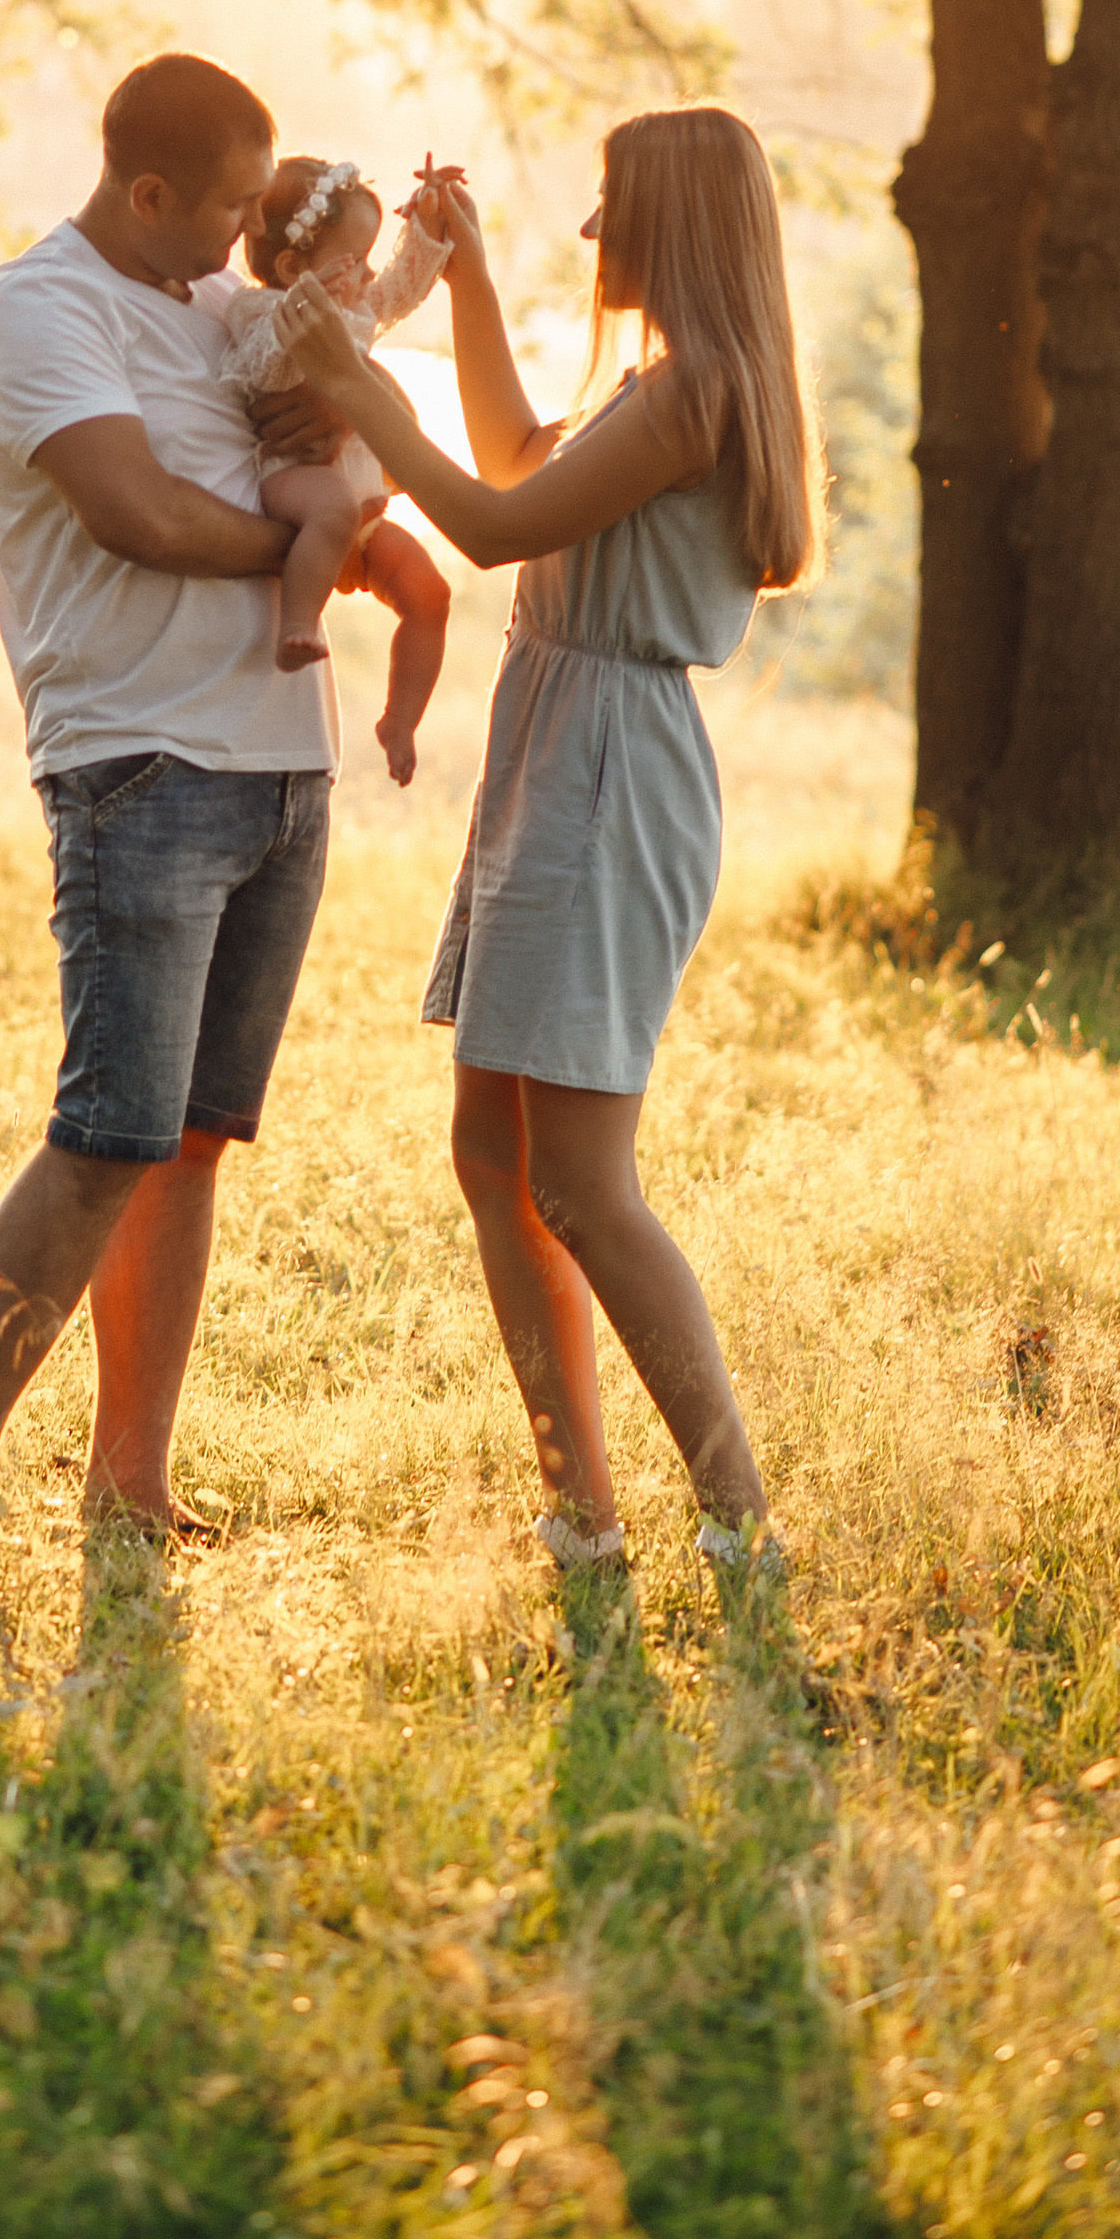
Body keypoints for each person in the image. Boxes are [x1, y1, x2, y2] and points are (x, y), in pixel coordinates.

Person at [275, 101, 824, 1586]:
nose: (588, 236)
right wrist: (458, 285)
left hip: (608, 771)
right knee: (491, 1148)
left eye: (607, 208)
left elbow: (491, 526)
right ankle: (581, 1507)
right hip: (558, 750)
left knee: (581, 1176)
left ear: (675, 222)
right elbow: (515, 452)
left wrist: (359, 379)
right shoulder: (650, 382)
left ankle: (738, 1516)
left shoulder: (698, 389)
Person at [0, 50, 338, 1540]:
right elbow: (135, 510)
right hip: (142, 767)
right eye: (223, 206)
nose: (242, 233)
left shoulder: (223, 307)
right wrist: (301, 559)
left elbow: (347, 388)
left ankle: (130, 1482)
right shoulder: (45, 307)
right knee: (107, 1136)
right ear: (145, 191)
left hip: (283, 765)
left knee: (194, 1140)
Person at [217, 154, 453, 783]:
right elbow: (259, 371)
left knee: (430, 593)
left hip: (362, 514)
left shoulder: (349, 306)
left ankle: (399, 720)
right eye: (356, 258)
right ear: (294, 269)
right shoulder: (260, 312)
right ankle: (297, 622)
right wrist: (309, 316)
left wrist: (428, 226)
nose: (368, 274)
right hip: (297, 480)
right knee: (332, 508)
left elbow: (402, 286)